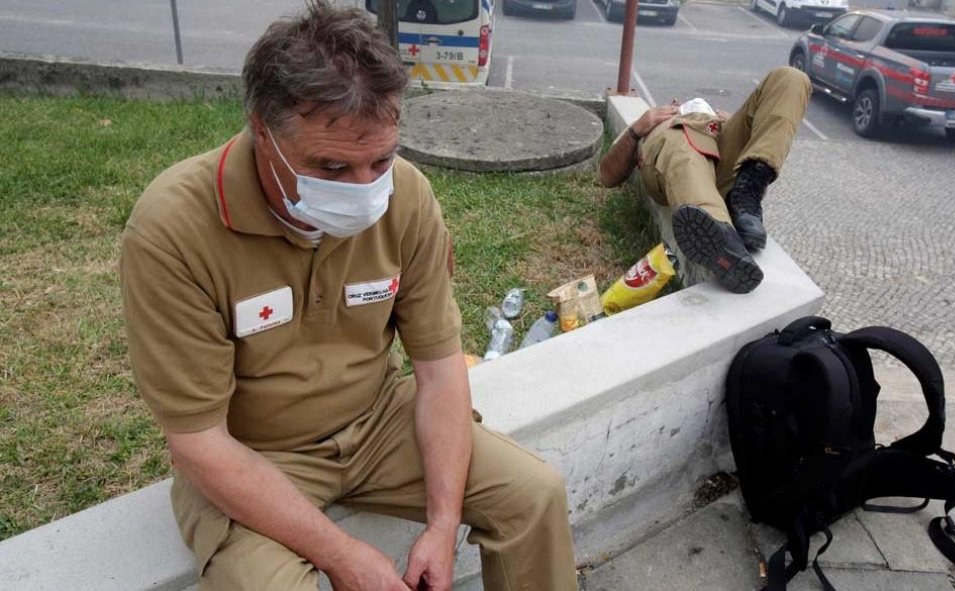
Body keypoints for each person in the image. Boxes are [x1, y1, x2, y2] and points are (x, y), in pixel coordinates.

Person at [119, 3, 577, 590]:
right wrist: (342, 555)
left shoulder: (406, 196)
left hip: (381, 420)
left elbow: (439, 371)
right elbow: (199, 443)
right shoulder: (173, 229)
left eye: (381, 159)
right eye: (331, 166)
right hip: (254, 452)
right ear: (264, 133)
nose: (364, 191)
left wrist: (443, 523)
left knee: (534, 495)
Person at [599, 67, 811, 294]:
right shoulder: (656, 120)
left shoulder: (719, 121)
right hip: (676, 145)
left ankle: (750, 186)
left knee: (790, 78)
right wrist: (637, 129)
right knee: (684, 152)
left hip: (720, 146)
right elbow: (607, 175)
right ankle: (723, 242)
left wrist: (739, 125)